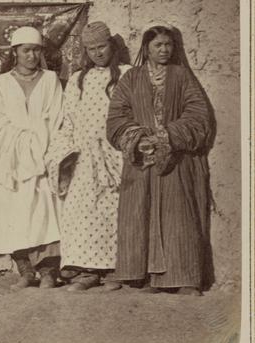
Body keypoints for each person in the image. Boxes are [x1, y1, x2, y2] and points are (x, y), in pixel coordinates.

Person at [106, 25, 213, 295]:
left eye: (168, 44)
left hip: (175, 159)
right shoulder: (131, 78)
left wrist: (166, 137)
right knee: (139, 214)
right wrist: (138, 139)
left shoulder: (182, 76)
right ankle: (146, 277)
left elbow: (198, 115)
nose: (164, 50)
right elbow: (117, 116)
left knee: (179, 216)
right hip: (141, 160)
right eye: (158, 45)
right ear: (147, 48)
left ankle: (185, 279)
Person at [47, 21, 131, 292]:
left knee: (114, 210)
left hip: (115, 154)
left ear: (111, 46)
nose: (98, 53)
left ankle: (116, 270)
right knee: (83, 211)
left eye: (102, 47)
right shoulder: (78, 80)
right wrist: (64, 152)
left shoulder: (127, 74)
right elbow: (69, 120)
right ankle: (88, 270)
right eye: (91, 49)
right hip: (84, 156)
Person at [0, 26, 64, 289]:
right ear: (15, 52)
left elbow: (57, 117)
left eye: (36, 50)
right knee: (13, 210)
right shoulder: (2, 83)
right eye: (26, 50)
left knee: (45, 211)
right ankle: (25, 271)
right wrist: (17, 141)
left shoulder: (50, 80)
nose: (31, 56)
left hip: (42, 153)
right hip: (11, 159)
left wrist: (41, 146)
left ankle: (48, 271)